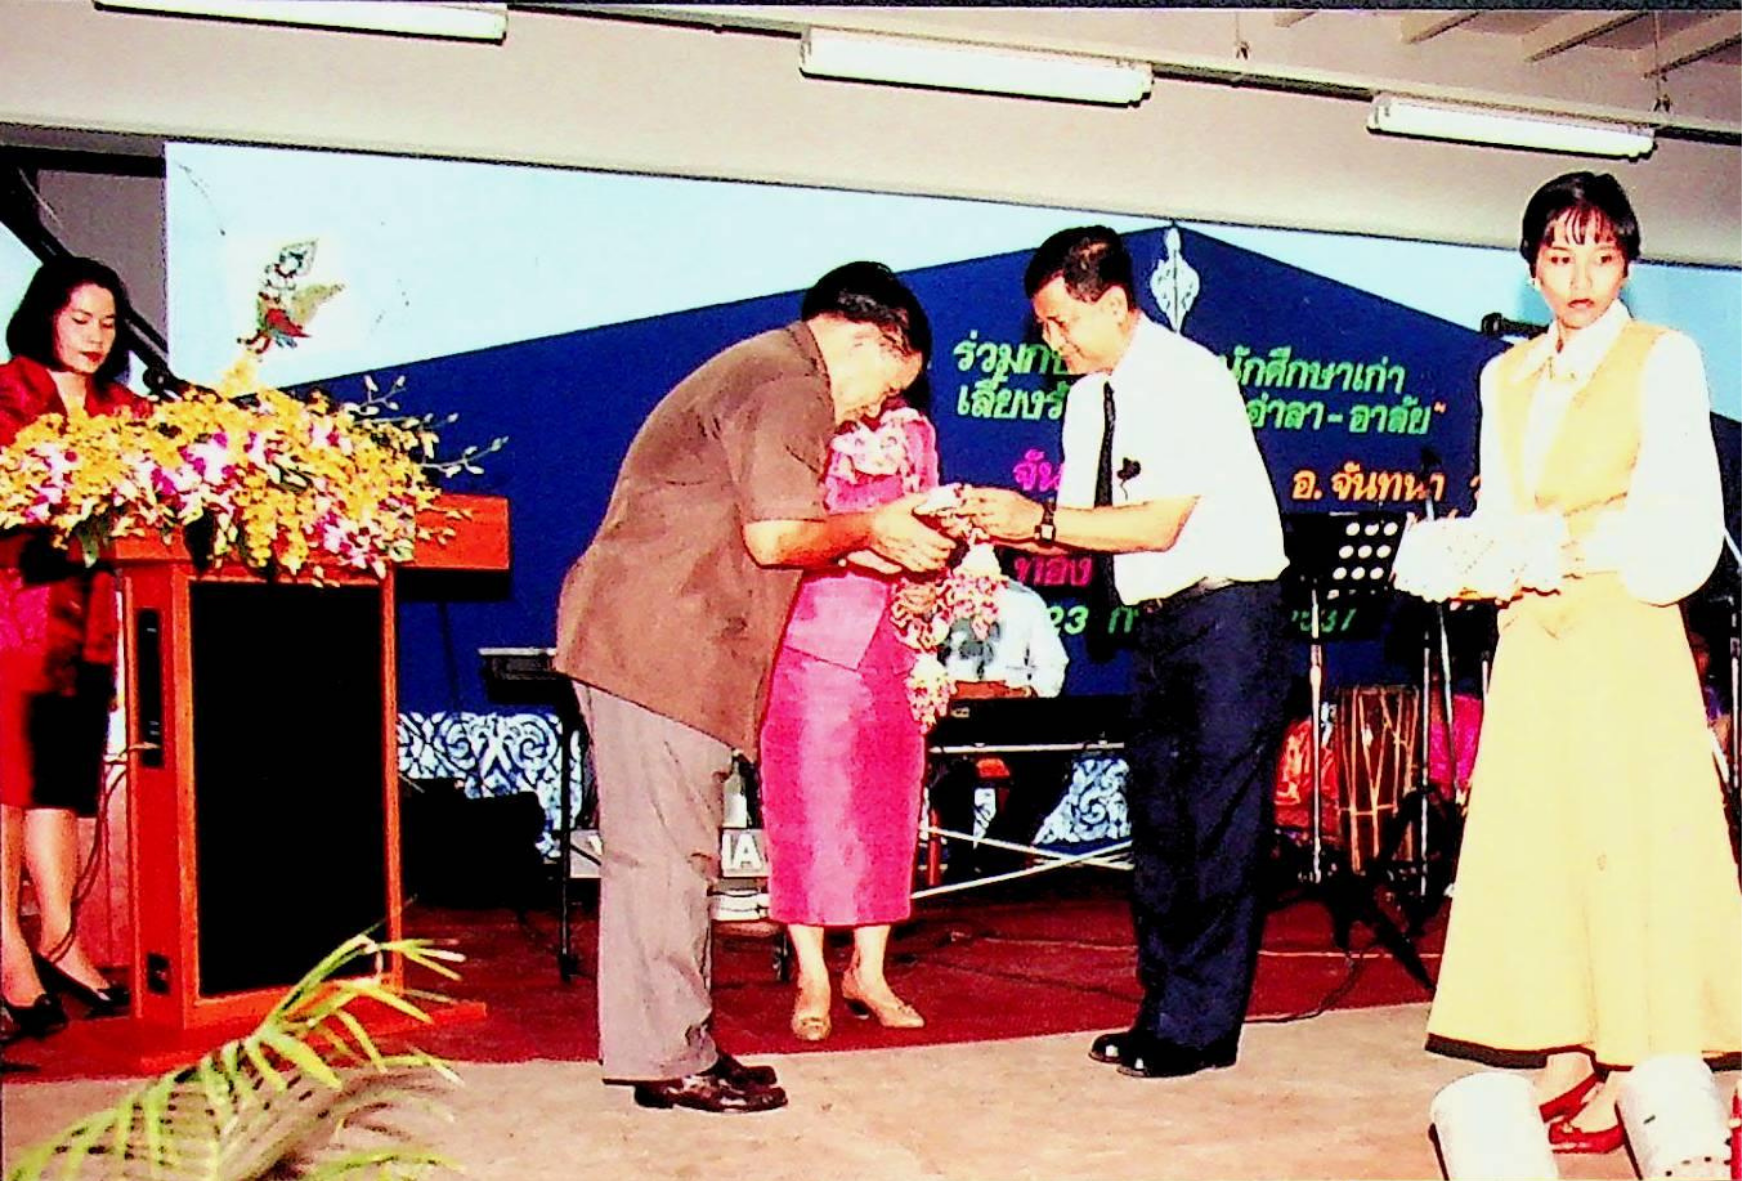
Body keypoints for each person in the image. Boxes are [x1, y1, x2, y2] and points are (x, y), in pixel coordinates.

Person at [554, 261, 954, 1114]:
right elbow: (776, 536)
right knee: (666, 858)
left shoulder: (765, 368)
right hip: (659, 644)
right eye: (888, 387)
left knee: (668, 855)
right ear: (869, 338)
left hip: (657, 640)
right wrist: (876, 525)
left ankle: (674, 1044)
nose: (874, 411)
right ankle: (670, 1056)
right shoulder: (790, 384)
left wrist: (868, 541)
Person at [1410, 172, 1740, 1154]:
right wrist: (1471, 561)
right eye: (1560, 257)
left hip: (1623, 624)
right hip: (1531, 634)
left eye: (1601, 255)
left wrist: (1566, 547)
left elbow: (1681, 510)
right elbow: (1503, 508)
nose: (1581, 277)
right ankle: (1562, 1048)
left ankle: (1634, 1065)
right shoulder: (1504, 377)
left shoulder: (1661, 357)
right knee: (1541, 844)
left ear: (1627, 262)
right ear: (1531, 269)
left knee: (1625, 844)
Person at [960, 226, 1292, 1080]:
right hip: (1158, 624)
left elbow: (1156, 524)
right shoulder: (1086, 400)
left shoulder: (1189, 378)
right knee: (1159, 823)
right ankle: (1163, 1008)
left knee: (1217, 826)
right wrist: (981, 531)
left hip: (1228, 618)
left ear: (1112, 303)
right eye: (1043, 326)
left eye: (1060, 323)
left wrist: (1031, 519)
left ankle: (1201, 1028)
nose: (1051, 341)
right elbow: (1080, 527)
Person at [758, 389, 944, 1042]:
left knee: (887, 807)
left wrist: (932, 582)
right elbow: (786, 533)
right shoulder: (800, 426)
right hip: (810, 635)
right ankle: (811, 975)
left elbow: (932, 523)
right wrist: (872, 549)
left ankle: (870, 971)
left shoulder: (916, 433)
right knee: (807, 807)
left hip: (895, 640)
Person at [0, 257, 143, 1038]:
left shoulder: (127, 411)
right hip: (13, 613)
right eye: (80, 319)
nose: (95, 336)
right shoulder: (5, 395)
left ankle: (58, 937)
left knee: (56, 784)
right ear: (44, 316)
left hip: (87, 625)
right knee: (6, 787)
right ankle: (9, 955)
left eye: (109, 323)